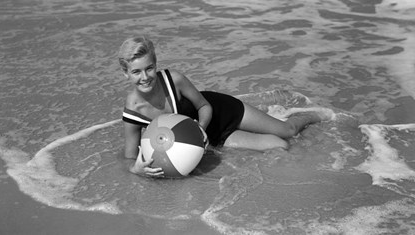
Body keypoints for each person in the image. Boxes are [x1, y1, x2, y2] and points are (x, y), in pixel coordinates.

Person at [119, 37, 334, 177]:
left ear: (155, 65)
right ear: (125, 73)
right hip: (211, 140)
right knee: (280, 146)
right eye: (136, 72)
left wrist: (200, 127)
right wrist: (137, 169)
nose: (145, 77)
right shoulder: (133, 110)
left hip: (220, 111)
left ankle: (315, 115)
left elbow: (203, 105)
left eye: (149, 68)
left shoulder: (173, 79)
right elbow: (130, 157)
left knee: (288, 131)